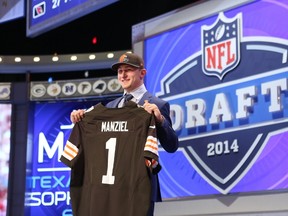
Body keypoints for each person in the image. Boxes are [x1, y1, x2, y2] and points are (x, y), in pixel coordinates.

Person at [70, 52, 179, 215]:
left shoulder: (157, 104)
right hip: (113, 187)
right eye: (120, 71)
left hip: (140, 185)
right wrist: (81, 119)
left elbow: (172, 145)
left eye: (128, 70)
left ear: (142, 73)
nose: (123, 75)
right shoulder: (111, 106)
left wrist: (160, 119)